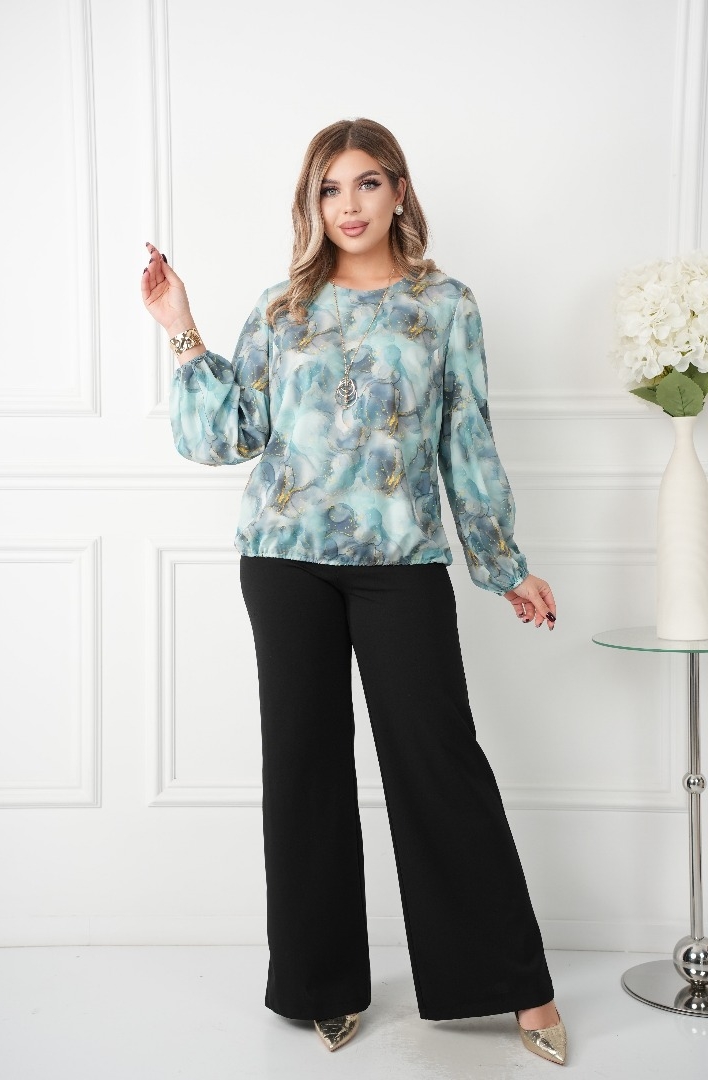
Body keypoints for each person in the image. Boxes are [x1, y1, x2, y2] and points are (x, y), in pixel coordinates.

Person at [140, 117, 567, 1067]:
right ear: (313, 203)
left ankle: (516, 986)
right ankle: (320, 985)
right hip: (283, 561)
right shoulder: (283, 307)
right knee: (305, 768)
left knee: (438, 761)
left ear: (399, 191)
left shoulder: (445, 305)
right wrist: (181, 331)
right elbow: (226, 437)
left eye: (367, 183)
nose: (349, 205)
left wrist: (503, 565)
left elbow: (467, 442)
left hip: (400, 565)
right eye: (330, 189)